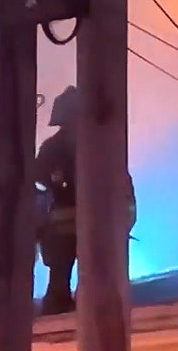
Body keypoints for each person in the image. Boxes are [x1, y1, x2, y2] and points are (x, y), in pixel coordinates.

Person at [34, 85, 136, 315]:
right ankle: (78, 308)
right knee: (88, 276)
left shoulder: (53, 148)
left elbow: (36, 179)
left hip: (67, 228)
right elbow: (121, 182)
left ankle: (63, 308)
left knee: (66, 277)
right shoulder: (99, 145)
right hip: (87, 227)